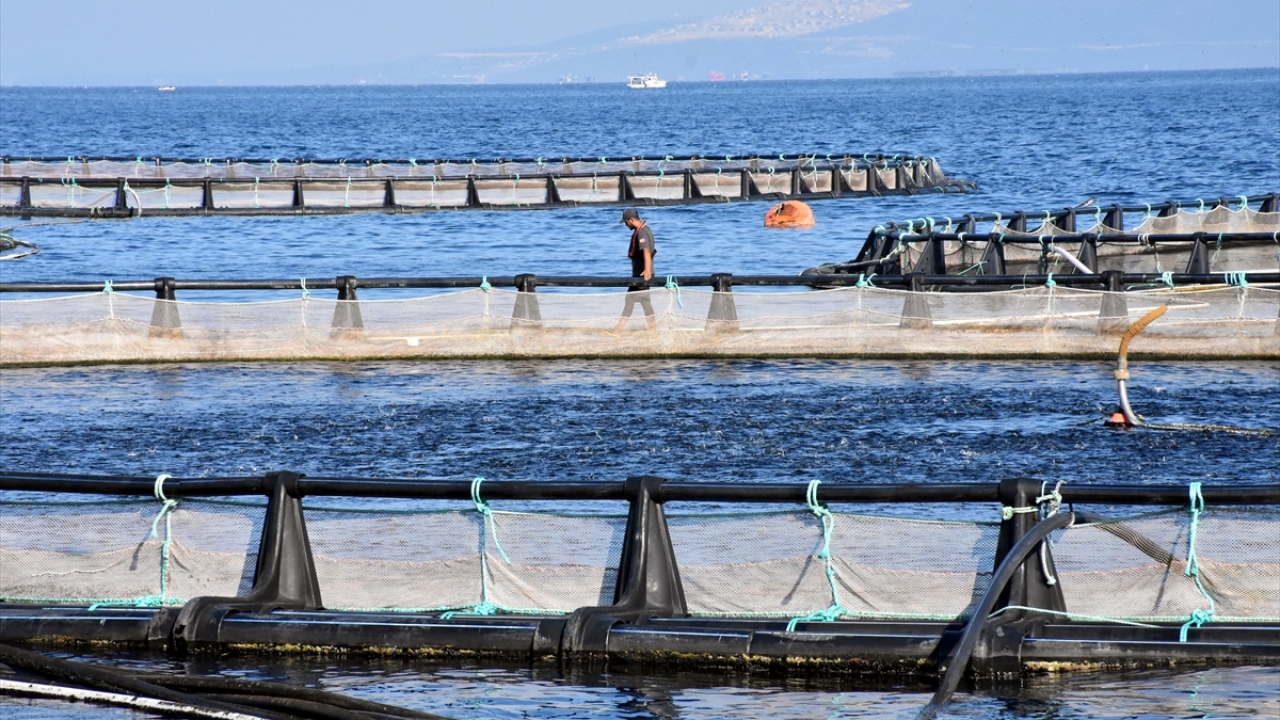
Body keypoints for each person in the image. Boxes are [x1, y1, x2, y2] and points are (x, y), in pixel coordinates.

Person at [614, 208, 657, 332]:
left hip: (643, 274)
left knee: (633, 301)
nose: (626, 225)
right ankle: (653, 328)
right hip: (640, 274)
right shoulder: (644, 229)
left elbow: (647, 251)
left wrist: (647, 270)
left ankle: (619, 329)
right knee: (642, 301)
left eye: (626, 222)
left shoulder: (642, 232)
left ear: (632, 220)